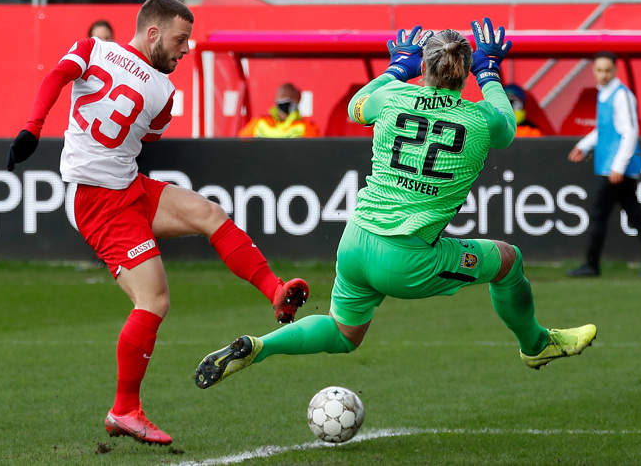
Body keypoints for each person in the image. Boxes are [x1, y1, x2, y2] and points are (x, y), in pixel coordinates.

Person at [193, 19, 597, 393]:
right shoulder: (479, 119)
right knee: (508, 260)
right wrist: (490, 71)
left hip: (356, 242)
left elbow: (357, 105)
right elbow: (507, 129)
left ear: (424, 66)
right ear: (464, 71)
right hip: (408, 258)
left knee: (342, 332)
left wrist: (396, 67)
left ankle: (261, 345)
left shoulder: (391, 97)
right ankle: (536, 344)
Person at [5, 0, 309, 446]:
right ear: (152, 33)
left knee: (209, 214)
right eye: (180, 39)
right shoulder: (164, 95)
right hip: (98, 199)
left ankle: (275, 290)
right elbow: (145, 132)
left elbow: (57, 76)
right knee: (153, 301)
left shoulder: (93, 50)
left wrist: (33, 127)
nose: (186, 49)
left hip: (125, 186)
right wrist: (36, 127)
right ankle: (124, 410)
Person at [566, 51, 641, 278]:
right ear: (594, 70)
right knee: (634, 214)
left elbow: (630, 131)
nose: (603, 75)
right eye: (599, 70)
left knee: (599, 213)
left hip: (616, 168)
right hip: (611, 166)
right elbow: (603, 129)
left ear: (615, 70)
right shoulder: (605, 94)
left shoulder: (622, 95)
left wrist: (619, 166)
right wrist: (584, 146)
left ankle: (591, 265)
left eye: (607, 70)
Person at [237, 82, 321, 138]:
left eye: (292, 96)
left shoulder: (307, 127)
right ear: (275, 99)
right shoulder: (259, 123)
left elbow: (314, 153)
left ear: (299, 100)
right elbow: (241, 145)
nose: (287, 99)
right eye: (283, 96)